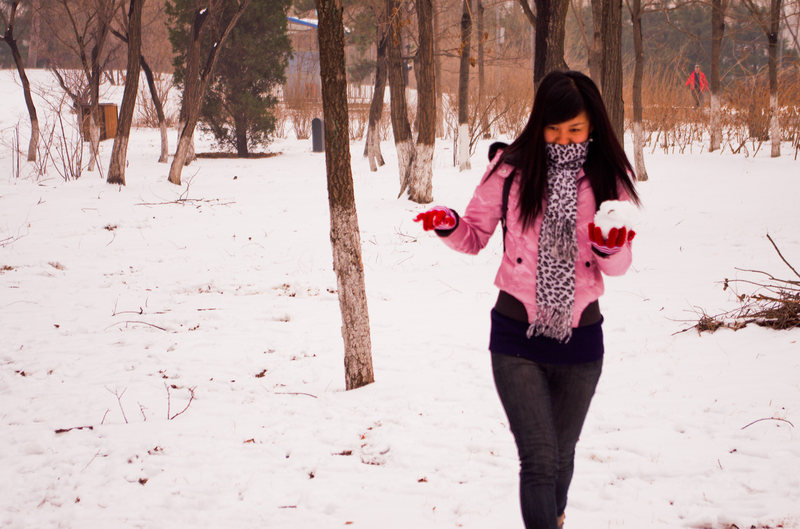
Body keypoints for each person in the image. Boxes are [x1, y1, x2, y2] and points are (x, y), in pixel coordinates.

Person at [413, 70, 640, 529]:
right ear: (539, 123)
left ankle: (554, 518)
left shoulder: (607, 176)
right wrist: (449, 224)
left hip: (581, 338)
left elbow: (618, 266)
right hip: (516, 335)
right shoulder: (511, 169)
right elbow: (474, 235)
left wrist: (609, 247)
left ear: (592, 125)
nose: (563, 139)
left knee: (562, 454)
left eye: (574, 129)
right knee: (538, 457)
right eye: (553, 129)